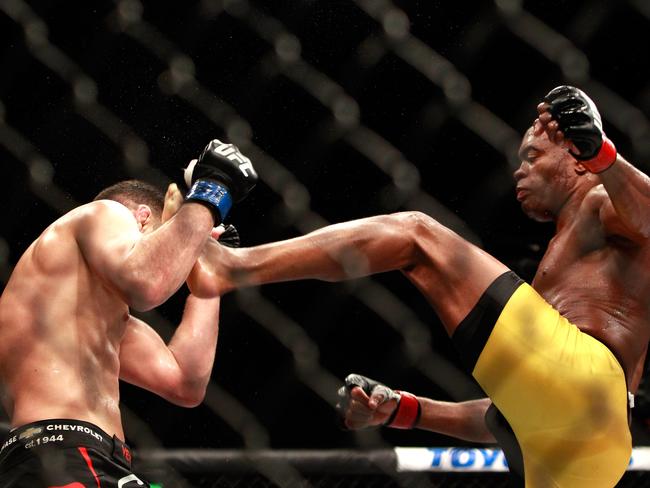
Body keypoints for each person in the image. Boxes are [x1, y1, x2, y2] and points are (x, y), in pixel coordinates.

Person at [187, 86, 650, 487]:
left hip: (593, 394)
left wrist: (603, 154)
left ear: (576, 160)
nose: (518, 171)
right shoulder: (571, 261)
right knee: (516, 405)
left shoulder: (603, 198)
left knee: (416, 236)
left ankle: (231, 266)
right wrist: (406, 411)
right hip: (581, 452)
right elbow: (522, 404)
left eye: (531, 156)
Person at [0, 139, 257, 487]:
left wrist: (207, 278)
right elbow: (147, 281)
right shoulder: (105, 213)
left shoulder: (89, 318)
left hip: (95, 459)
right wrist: (212, 193)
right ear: (143, 218)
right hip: (63, 447)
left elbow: (185, 382)